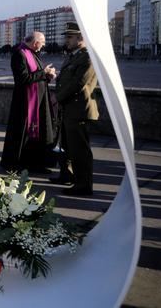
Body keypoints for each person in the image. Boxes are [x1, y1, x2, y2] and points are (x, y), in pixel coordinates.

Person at [52, 22, 99, 196]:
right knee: (66, 146)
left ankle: (84, 185)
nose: (67, 40)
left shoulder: (88, 57)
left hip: (79, 109)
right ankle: (67, 175)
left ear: (81, 38)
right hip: (69, 108)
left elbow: (79, 83)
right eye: (66, 37)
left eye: (70, 37)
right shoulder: (73, 56)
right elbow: (65, 80)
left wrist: (58, 97)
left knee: (80, 149)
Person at [0, 32, 57, 173]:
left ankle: (35, 164)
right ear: (35, 42)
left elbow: (36, 77)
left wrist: (48, 76)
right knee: (23, 136)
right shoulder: (19, 54)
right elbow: (23, 78)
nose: (43, 46)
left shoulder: (32, 53)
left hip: (39, 101)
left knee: (39, 134)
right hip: (25, 103)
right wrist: (44, 72)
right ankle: (18, 164)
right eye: (42, 43)